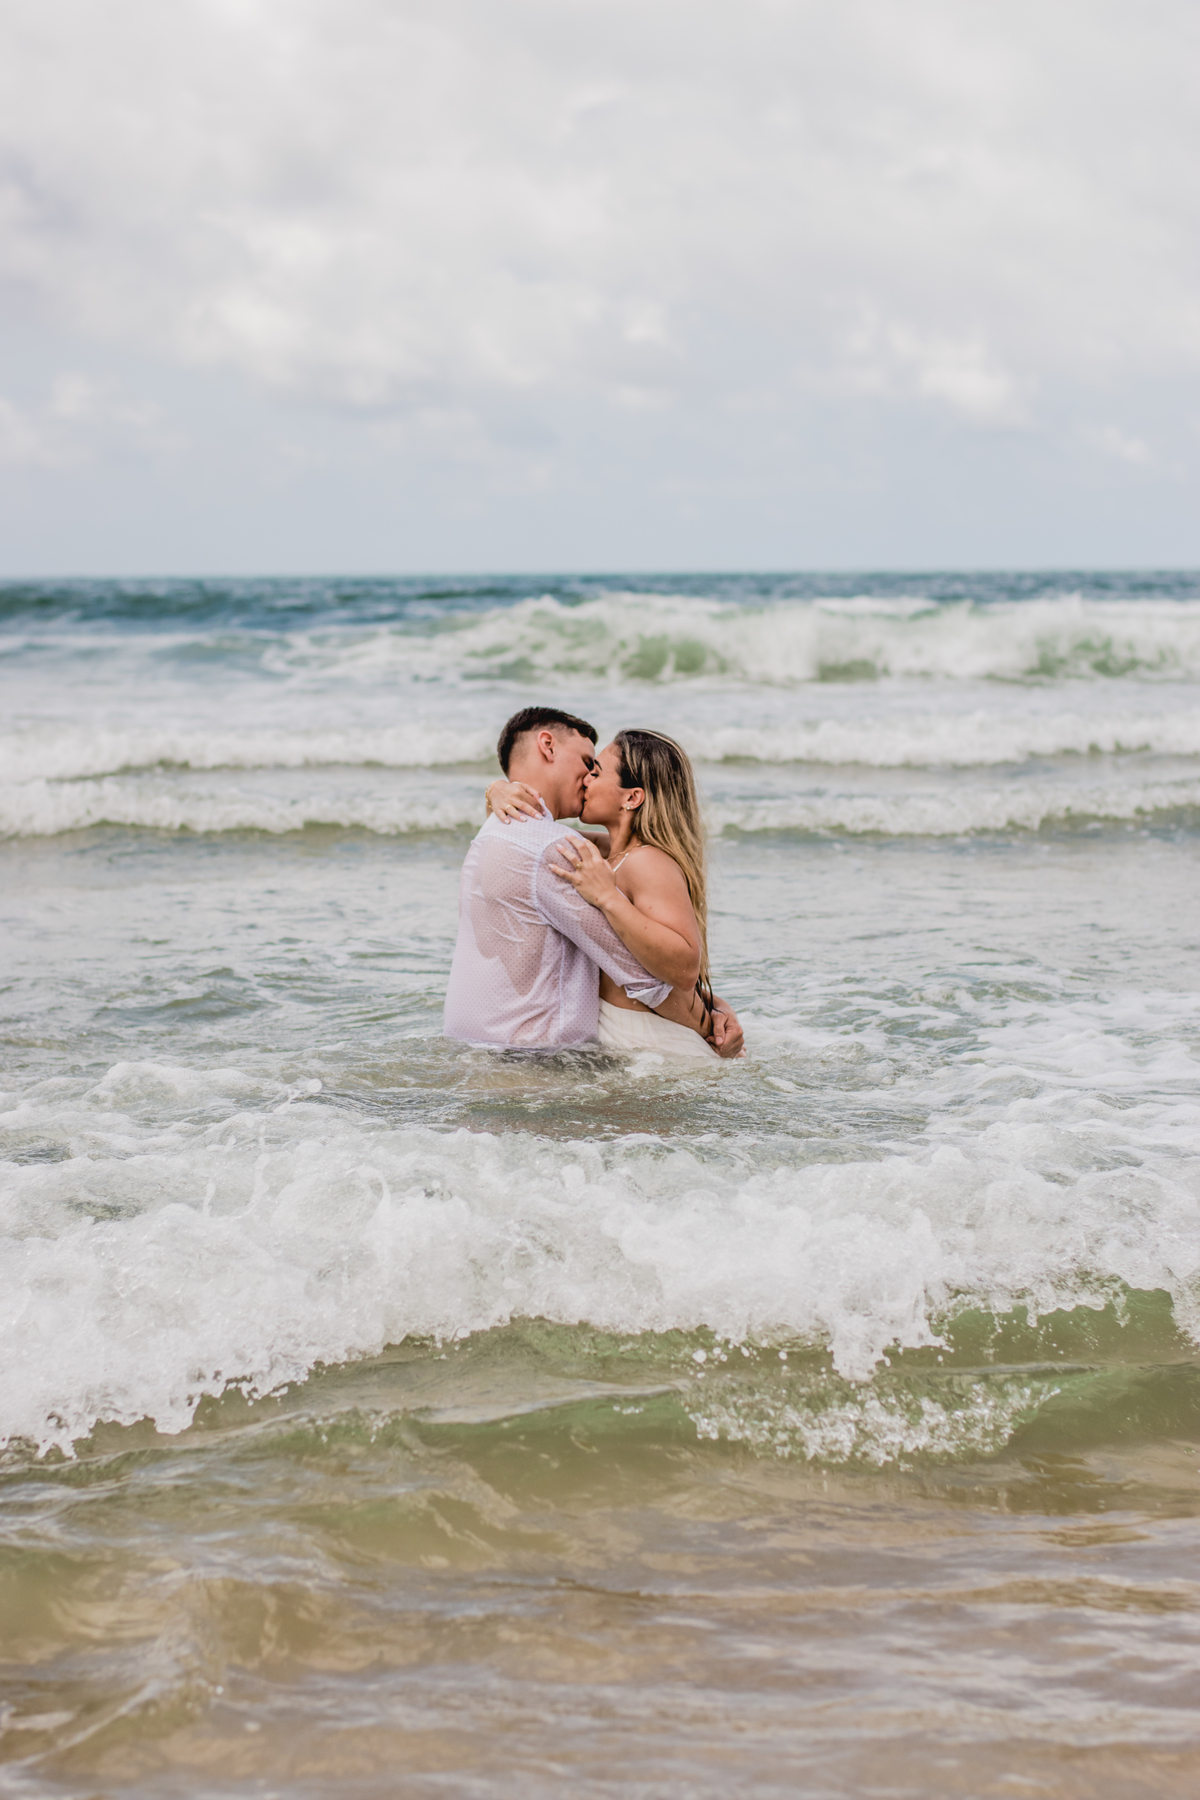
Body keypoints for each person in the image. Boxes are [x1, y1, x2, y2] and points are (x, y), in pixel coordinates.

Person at [443, 706, 743, 1056]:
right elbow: (638, 971)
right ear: (547, 746)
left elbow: (664, 969)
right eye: (588, 763)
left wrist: (713, 1016)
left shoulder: (509, 836)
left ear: (632, 797)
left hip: (628, 1047)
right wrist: (495, 790)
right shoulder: (569, 851)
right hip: (571, 1052)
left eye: (595, 771)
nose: (587, 778)